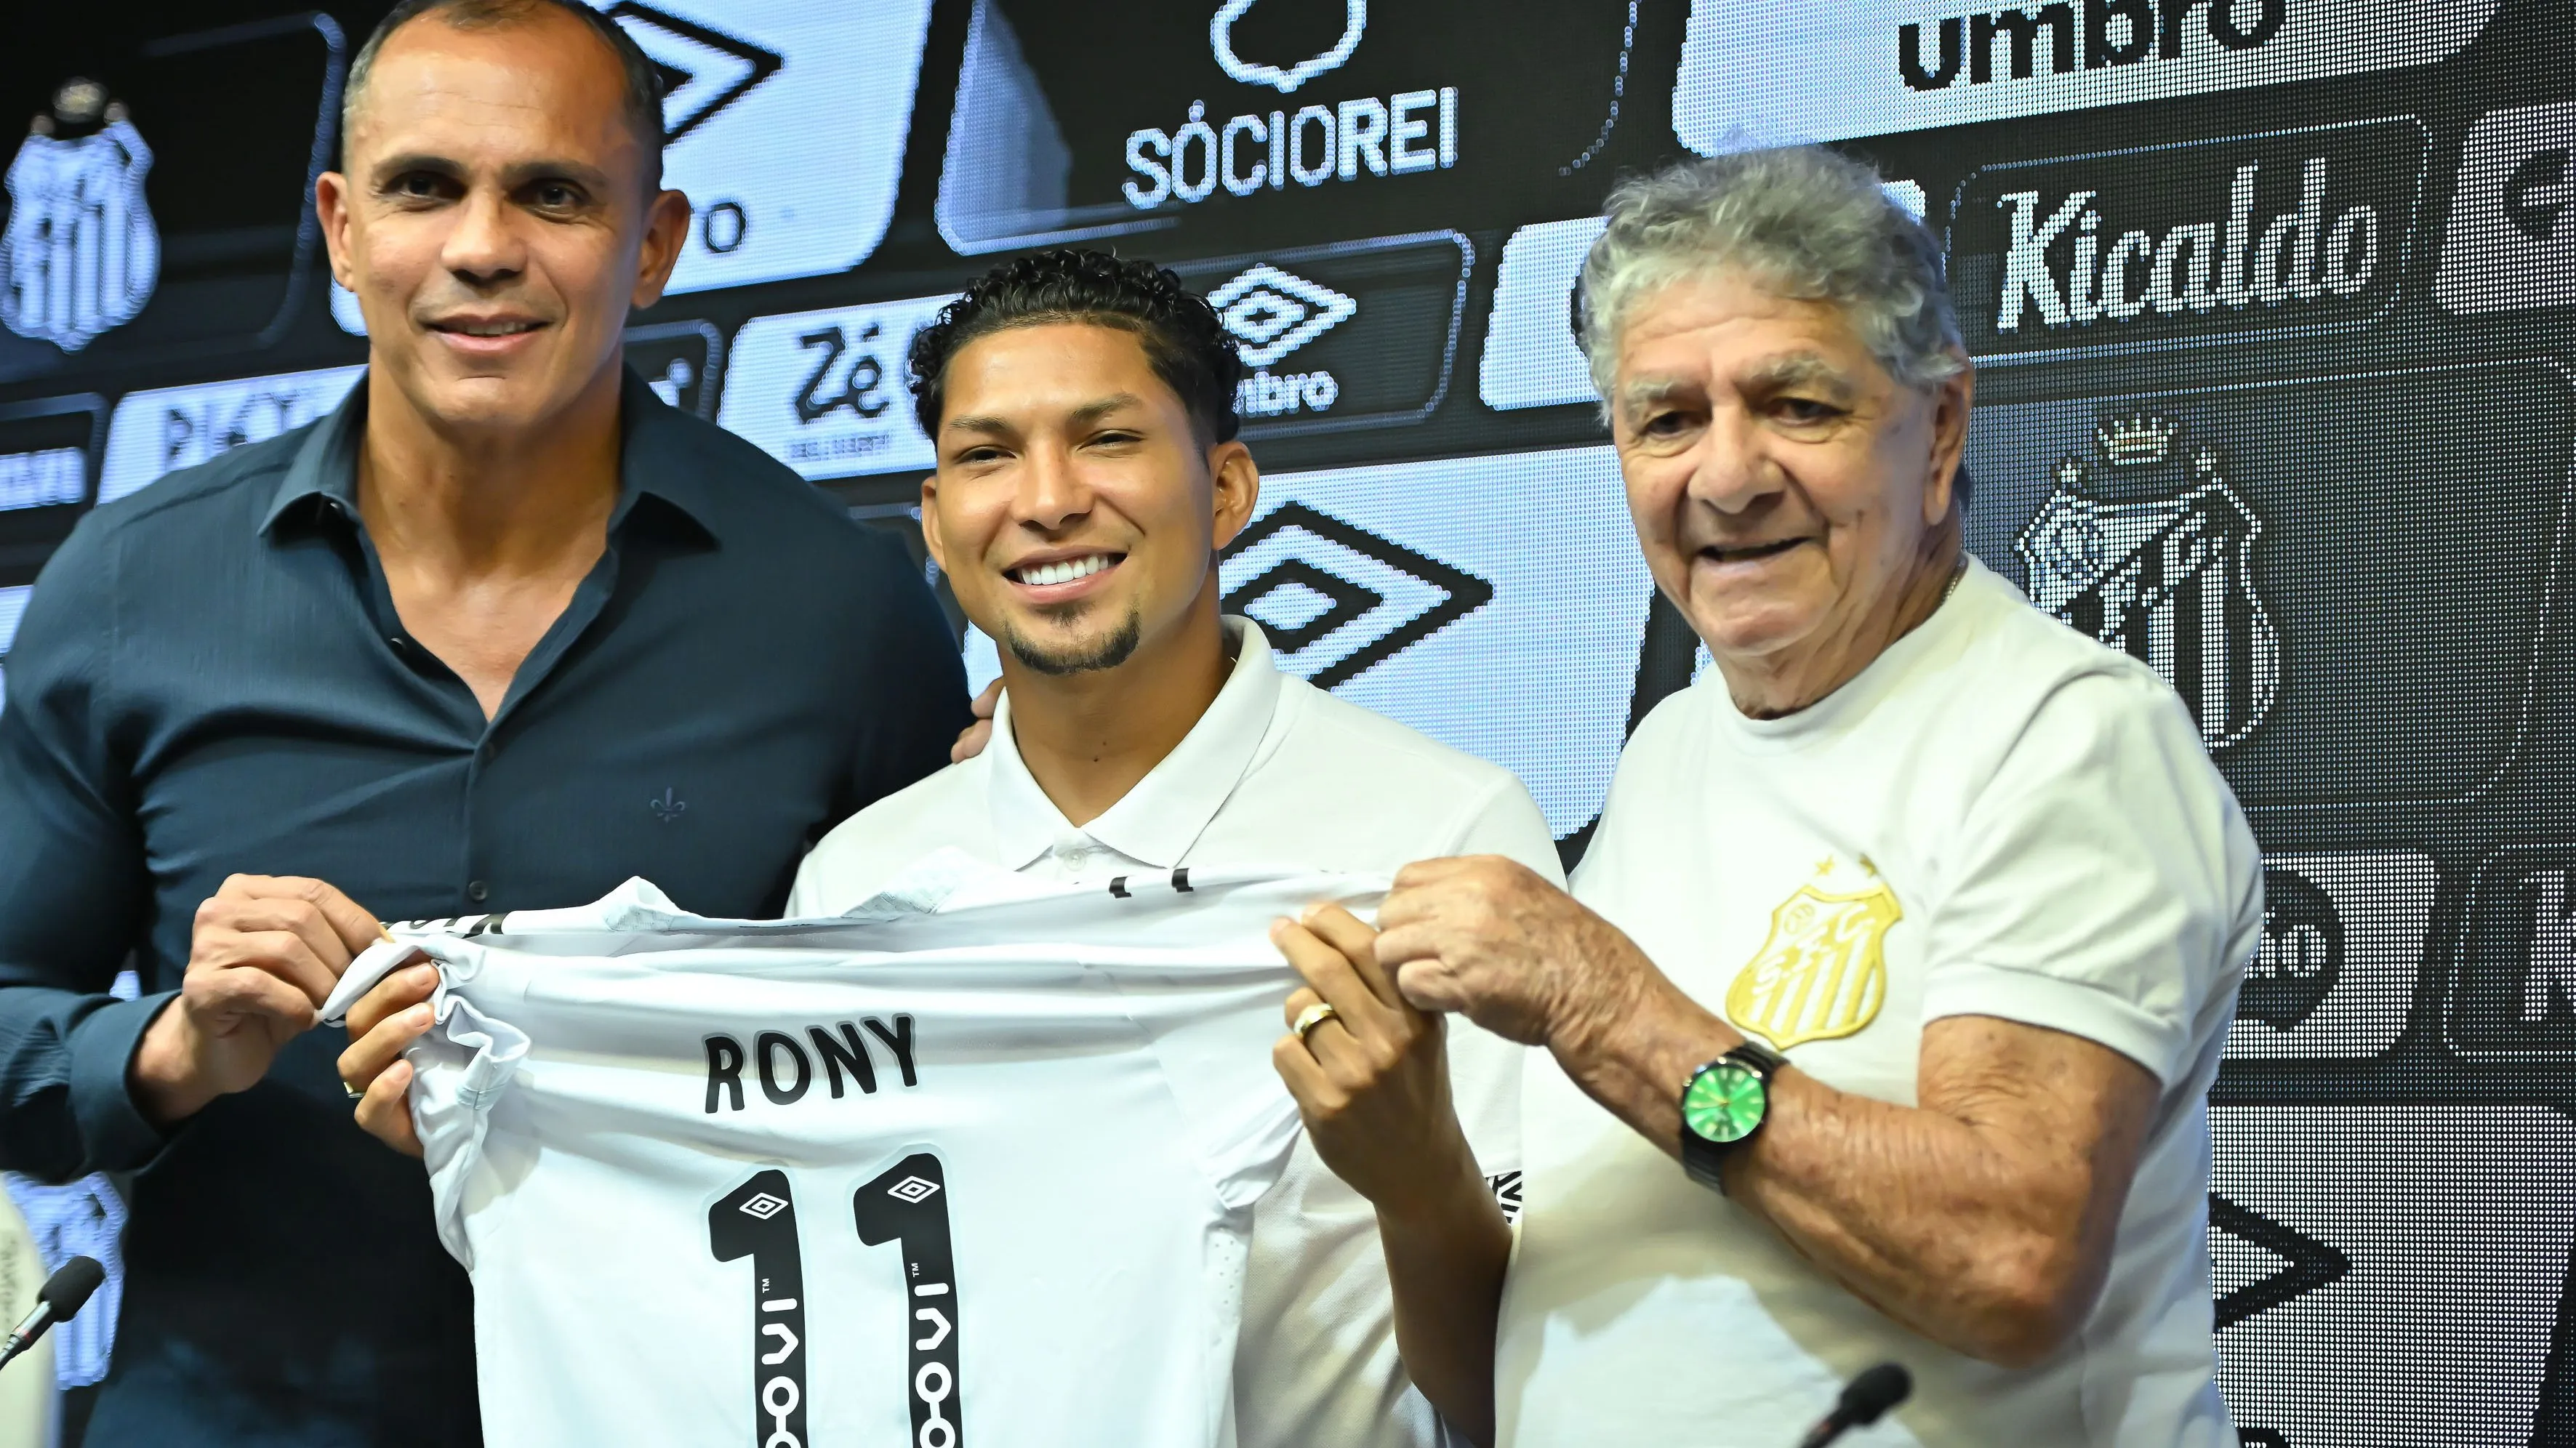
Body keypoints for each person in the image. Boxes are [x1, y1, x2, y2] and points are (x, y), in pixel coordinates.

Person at [0, 1, 966, 1441]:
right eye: (423, 186)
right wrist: (170, 1051)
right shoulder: (131, 586)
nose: (482, 245)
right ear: (339, 228)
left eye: (554, 193)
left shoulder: (845, 608)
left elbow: (931, 1070)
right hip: (236, 1416)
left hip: (697, 1408)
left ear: (653, 242)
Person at [1285, 147, 2263, 1446]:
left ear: (1941, 431)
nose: (1727, 477)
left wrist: (1601, 1004)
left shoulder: (2062, 737)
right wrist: (1416, 1182)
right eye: (1666, 419)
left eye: (1797, 405)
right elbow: (1500, 1396)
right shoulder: (1673, 748)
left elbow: (2009, 1263)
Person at [782, 248, 1559, 1447]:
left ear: (1227, 489)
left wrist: (1418, 1181)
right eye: (987, 455)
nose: (1045, 499)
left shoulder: (1439, 836)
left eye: (1106, 440)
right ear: (936, 524)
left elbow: (1535, 1386)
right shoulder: (850, 882)